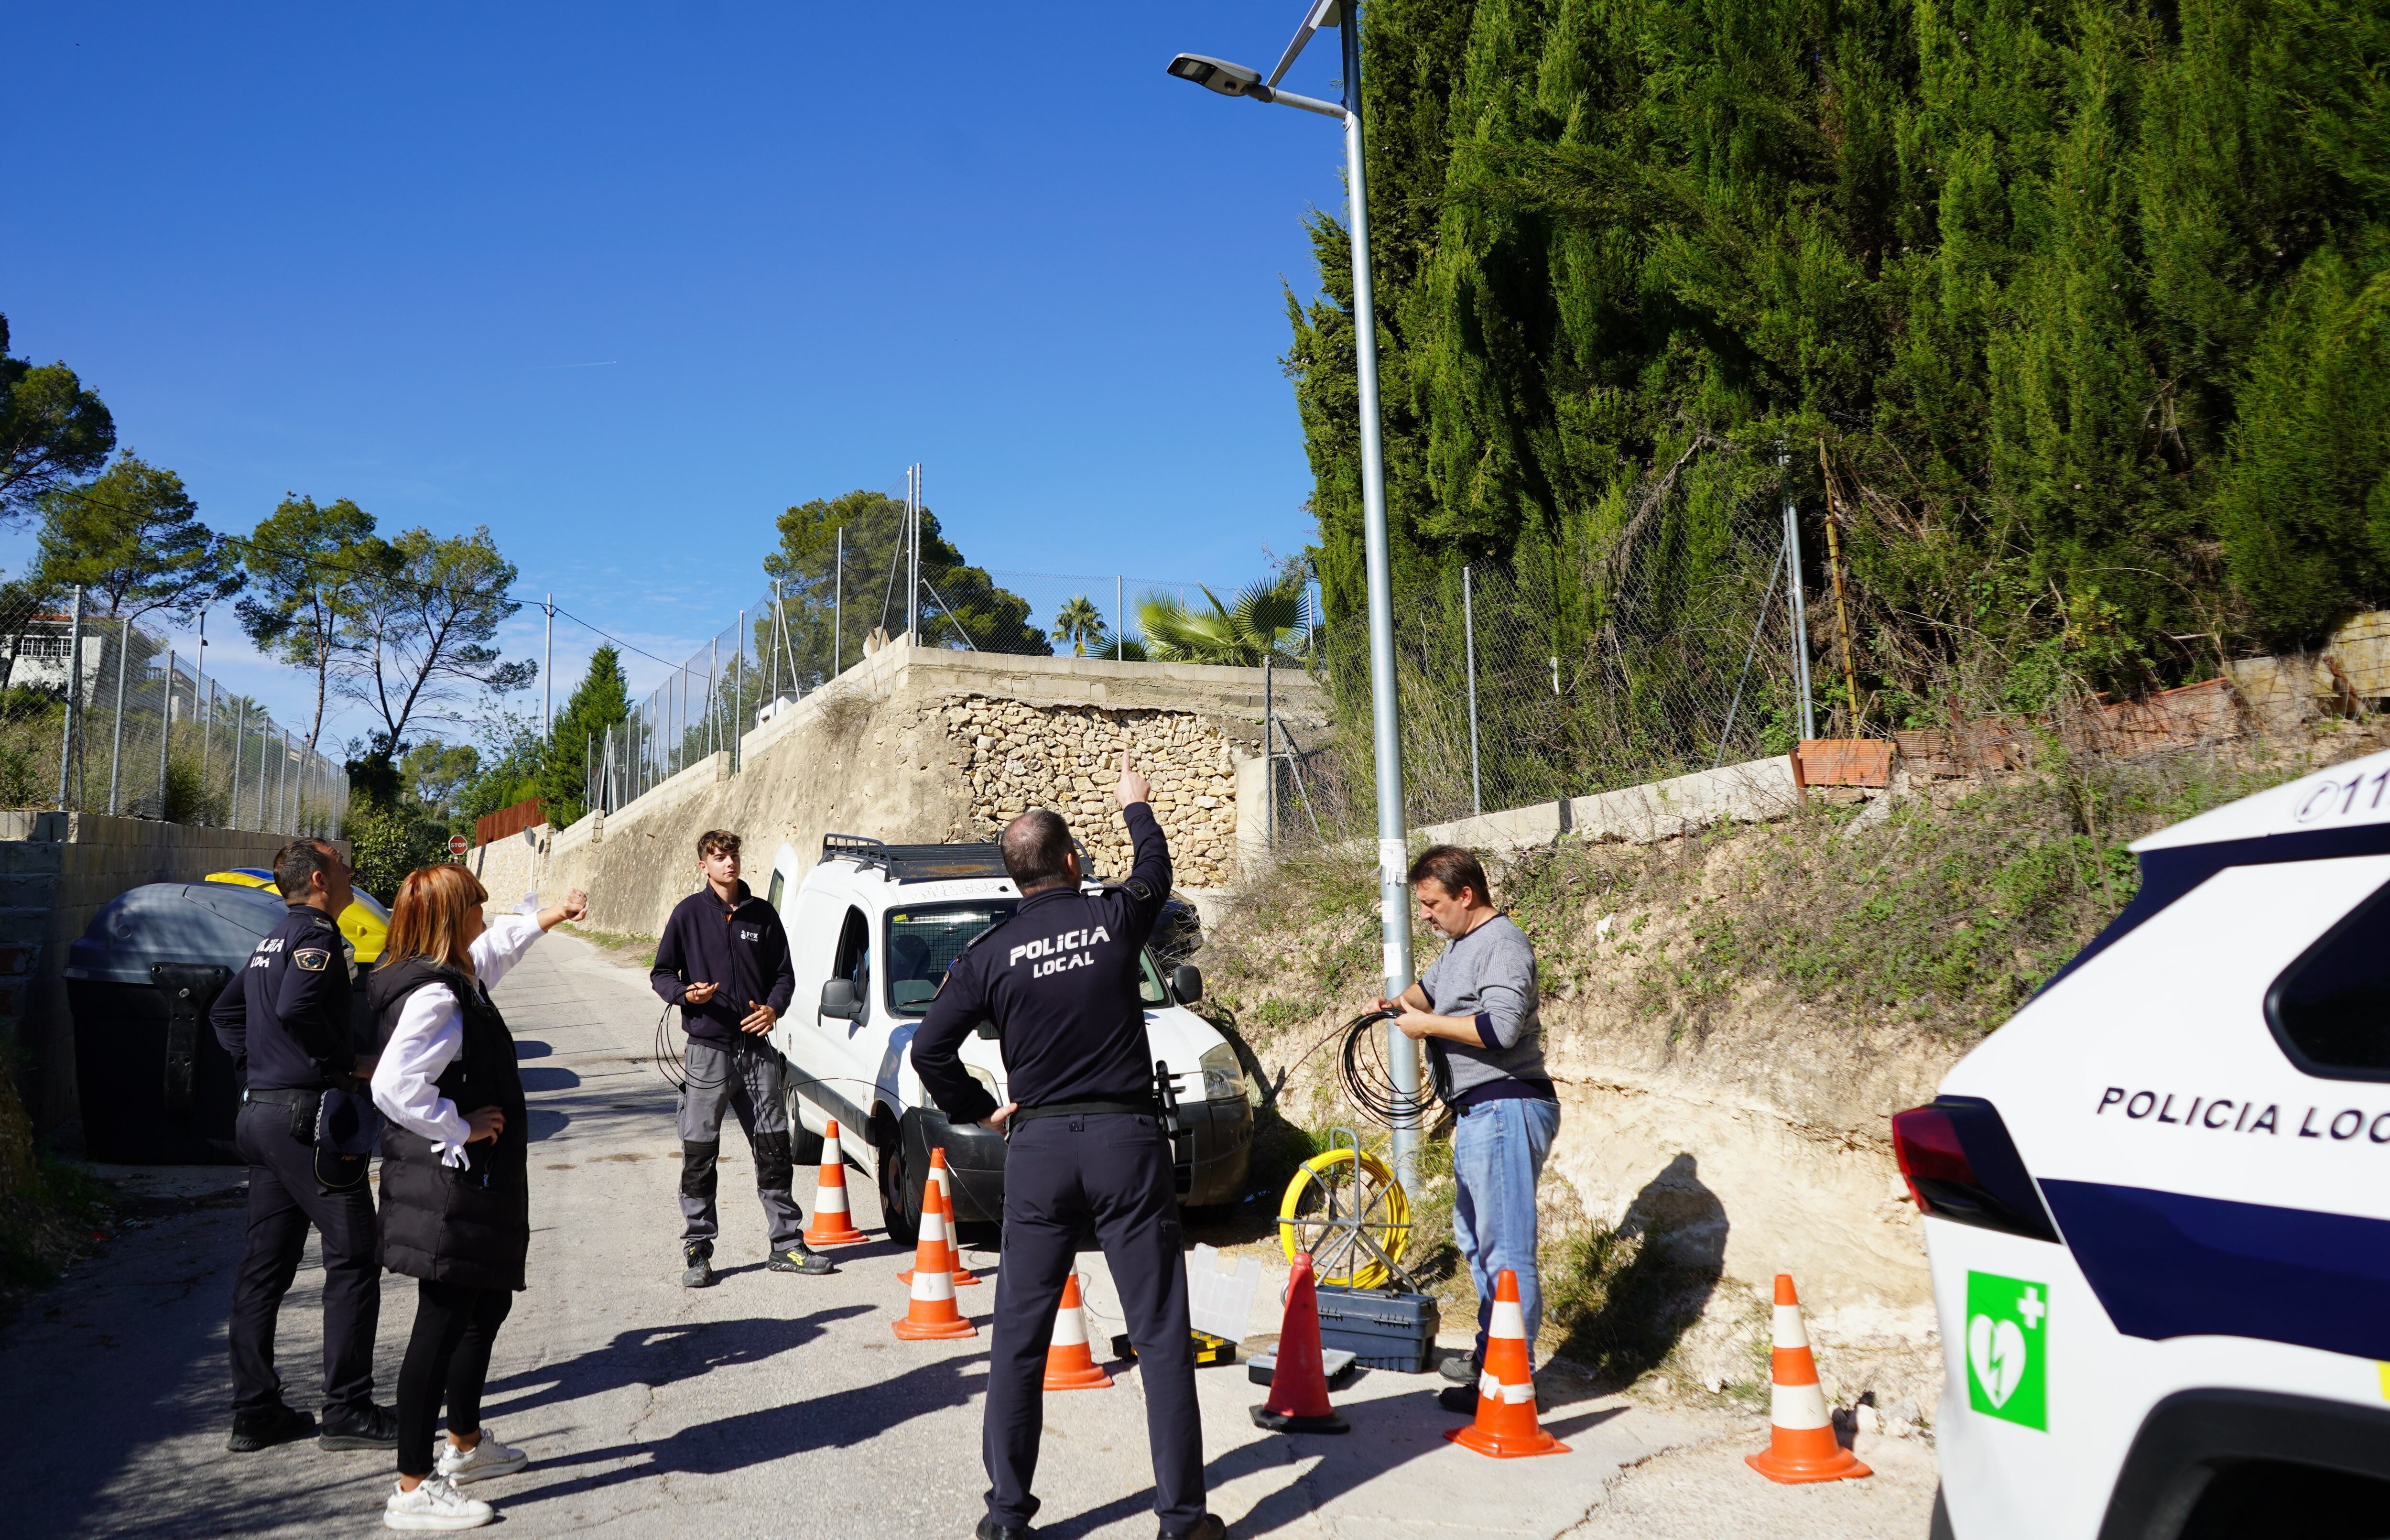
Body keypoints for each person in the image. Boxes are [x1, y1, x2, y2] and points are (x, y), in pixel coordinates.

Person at [913, 754, 1223, 1540]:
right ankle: (1183, 1519)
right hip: (1126, 1138)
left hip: (1040, 1145)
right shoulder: (1116, 915)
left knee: (1019, 1340)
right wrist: (1137, 804)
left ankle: (1008, 1517)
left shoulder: (988, 953)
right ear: (1072, 863)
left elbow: (930, 1050)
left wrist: (981, 1110)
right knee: (1158, 1332)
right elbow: (1156, 867)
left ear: (1015, 878)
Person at [367, 865, 588, 1532]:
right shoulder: (437, 995)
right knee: (440, 1320)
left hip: (462, 1181)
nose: (484, 919)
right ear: (447, 919)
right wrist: (459, 1124)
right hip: (447, 1180)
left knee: (484, 1301)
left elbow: (495, 951)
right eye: (475, 909)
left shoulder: (449, 973)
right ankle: (412, 1486)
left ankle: (463, 1445)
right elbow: (394, 1085)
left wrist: (548, 916)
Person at [210, 837, 396, 1455]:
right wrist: (347, 1062)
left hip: (261, 1115)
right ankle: (347, 1406)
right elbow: (296, 1008)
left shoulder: (270, 939)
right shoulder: (316, 938)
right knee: (354, 1255)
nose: (351, 873)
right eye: (345, 867)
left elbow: (224, 1013)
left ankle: (254, 1408)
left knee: (265, 1266)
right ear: (320, 879)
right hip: (305, 1121)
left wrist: (257, 1067)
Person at [1369, 844, 1559, 1416]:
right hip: (1480, 1112)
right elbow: (1423, 994)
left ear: (1465, 895)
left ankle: (1509, 1381)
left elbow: (1500, 1029)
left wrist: (1425, 1025)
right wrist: (1395, 1005)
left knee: (1505, 1250)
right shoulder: (1460, 948)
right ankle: (1491, 1359)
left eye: (1430, 903)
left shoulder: (1502, 944)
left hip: (1505, 1107)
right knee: (1477, 1243)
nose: (1423, 914)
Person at [650, 829, 831, 1287]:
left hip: (756, 1053)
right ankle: (697, 1248)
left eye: (732, 855)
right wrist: (686, 995)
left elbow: (785, 976)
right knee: (699, 1152)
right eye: (717, 857)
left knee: (773, 1147)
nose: (727, 863)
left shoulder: (763, 915)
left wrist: (774, 1008)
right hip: (707, 1052)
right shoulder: (688, 915)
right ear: (703, 866)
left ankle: (787, 1245)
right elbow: (662, 973)